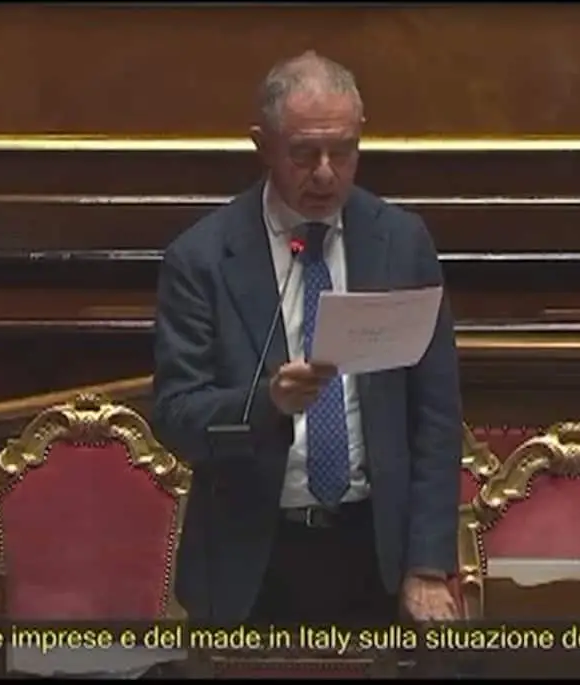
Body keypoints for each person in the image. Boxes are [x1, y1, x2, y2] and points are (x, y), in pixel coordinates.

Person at [152, 51, 462, 628]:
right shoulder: (201, 259)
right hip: (251, 560)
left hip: (376, 553)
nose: (325, 173)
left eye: (342, 151)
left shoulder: (400, 243)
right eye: (303, 154)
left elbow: (436, 417)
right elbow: (176, 417)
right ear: (262, 145)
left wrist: (428, 564)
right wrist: (266, 401)